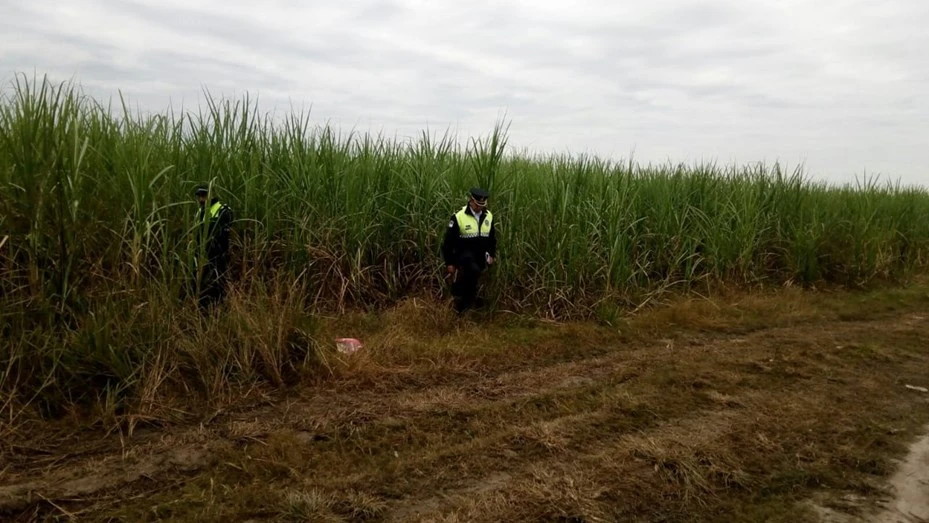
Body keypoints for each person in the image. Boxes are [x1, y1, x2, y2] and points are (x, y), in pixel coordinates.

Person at [441, 187, 497, 313]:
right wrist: (449, 262)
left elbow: (492, 239)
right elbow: (448, 242)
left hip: (480, 256)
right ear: (471, 200)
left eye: (482, 205)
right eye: (477, 204)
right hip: (464, 256)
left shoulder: (489, 216)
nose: (479, 208)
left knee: (472, 279)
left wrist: (492, 254)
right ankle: (462, 307)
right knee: (472, 272)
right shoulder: (458, 217)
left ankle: (459, 299)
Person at [193, 185, 233, 309]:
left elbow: (224, 231)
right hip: (201, 254)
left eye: (204, 195)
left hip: (218, 254)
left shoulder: (222, 210)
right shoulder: (200, 211)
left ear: (213, 195)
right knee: (199, 283)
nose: (201, 199)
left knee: (217, 283)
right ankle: (200, 307)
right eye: (199, 196)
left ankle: (218, 307)